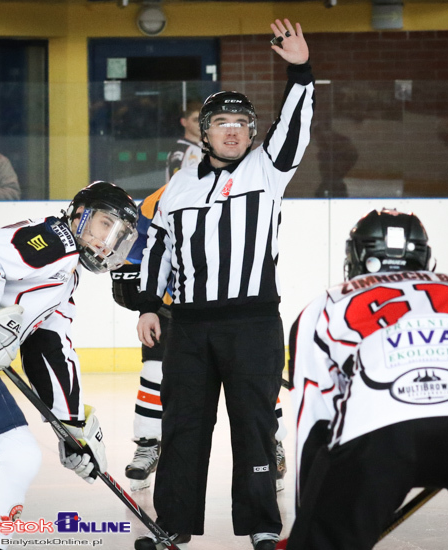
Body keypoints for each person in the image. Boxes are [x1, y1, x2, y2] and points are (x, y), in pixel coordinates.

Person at [134, 18, 314, 550]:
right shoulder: (179, 185)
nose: (232, 129)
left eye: (241, 122)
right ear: (204, 131)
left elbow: (295, 126)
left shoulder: (268, 169)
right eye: (222, 122)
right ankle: (173, 526)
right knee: (183, 429)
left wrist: (301, 71)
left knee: (254, 426)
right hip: (188, 328)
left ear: (251, 132)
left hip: (253, 323)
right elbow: (161, 247)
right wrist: (148, 304)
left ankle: (262, 525)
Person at [0, 181, 138, 550]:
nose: (107, 241)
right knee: (16, 450)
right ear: (79, 215)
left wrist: (74, 425)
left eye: (119, 235)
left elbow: (50, 347)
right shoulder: (55, 240)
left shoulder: (67, 279)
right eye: (103, 224)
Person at [286, 208, 448, 550]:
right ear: (424, 255)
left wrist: (311, 519)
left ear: (357, 256)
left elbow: (315, 416)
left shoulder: (326, 304)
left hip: (379, 429)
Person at [111, 185, 289, 493]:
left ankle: (269, 443)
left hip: (239, 308)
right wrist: (136, 278)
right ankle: (148, 443)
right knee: (155, 372)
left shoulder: (250, 189)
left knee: (255, 378)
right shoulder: (170, 193)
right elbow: (136, 234)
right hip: (175, 310)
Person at [165, 102, 203, 184]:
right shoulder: (180, 150)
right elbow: (175, 183)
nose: (200, 124)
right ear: (184, 122)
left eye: (203, 120)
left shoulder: (206, 147)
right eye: (196, 120)